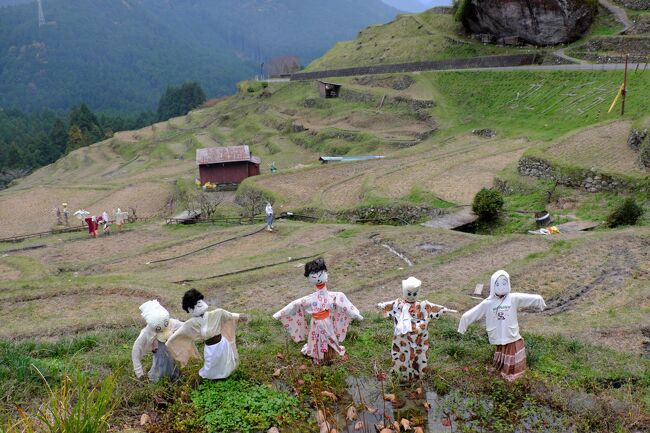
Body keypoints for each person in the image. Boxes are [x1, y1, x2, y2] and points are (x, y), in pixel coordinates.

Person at [458, 270, 546, 381]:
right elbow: (473, 313)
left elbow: (528, 298)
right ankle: (503, 369)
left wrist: (539, 300)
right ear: (493, 285)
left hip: (511, 333)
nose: (501, 287)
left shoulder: (513, 298)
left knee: (515, 348)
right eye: (498, 284)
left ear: (508, 284)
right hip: (498, 333)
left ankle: (515, 372)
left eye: (504, 283)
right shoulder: (488, 303)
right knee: (502, 350)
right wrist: (463, 323)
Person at [273, 258, 363, 364]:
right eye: (314, 277)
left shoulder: (335, 296)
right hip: (316, 322)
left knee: (329, 336)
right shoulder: (310, 298)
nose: (318, 279)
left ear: (326, 274)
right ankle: (319, 356)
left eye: (320, 275)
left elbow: (345, 305)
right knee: (315, 338)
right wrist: (280, 314)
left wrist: (356, 314)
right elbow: (295, 304)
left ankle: (329, 355)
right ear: (310, 278)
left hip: (327, 321)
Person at [377, 277, 456, 381]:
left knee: (419, 355)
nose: (411, 296)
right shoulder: (398, 305)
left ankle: (417, 376)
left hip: (419, 338)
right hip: (402, 339)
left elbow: (433, 307)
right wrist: (381, 305)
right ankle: (400, 376)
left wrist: (443, 309)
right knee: (401, 354)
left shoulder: (423, 305)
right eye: (409, 293)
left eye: (414, 294)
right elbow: (388, 305)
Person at [166, 288, 247, 380]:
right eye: (195, 304)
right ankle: (214, 379)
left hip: (222, 344)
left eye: (199, 301)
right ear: (190, 309)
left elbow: (229, 315)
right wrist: (170, 341)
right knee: (211, 365)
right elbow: (181, 333)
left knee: (225, 362)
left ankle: (227, 377)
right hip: (210, 347)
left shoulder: (216, 313)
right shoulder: (192, 323)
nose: (199, 304)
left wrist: (239, 316)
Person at [132, 300, 184, 382]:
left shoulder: (171, 324)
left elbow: (185, 327)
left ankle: (174, 377)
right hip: (159, 359)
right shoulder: (148, 332)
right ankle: (158, 380)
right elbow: (136, 350)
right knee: (160, 365)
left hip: (172, 356)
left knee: (172, 363)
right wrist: (139, 373)